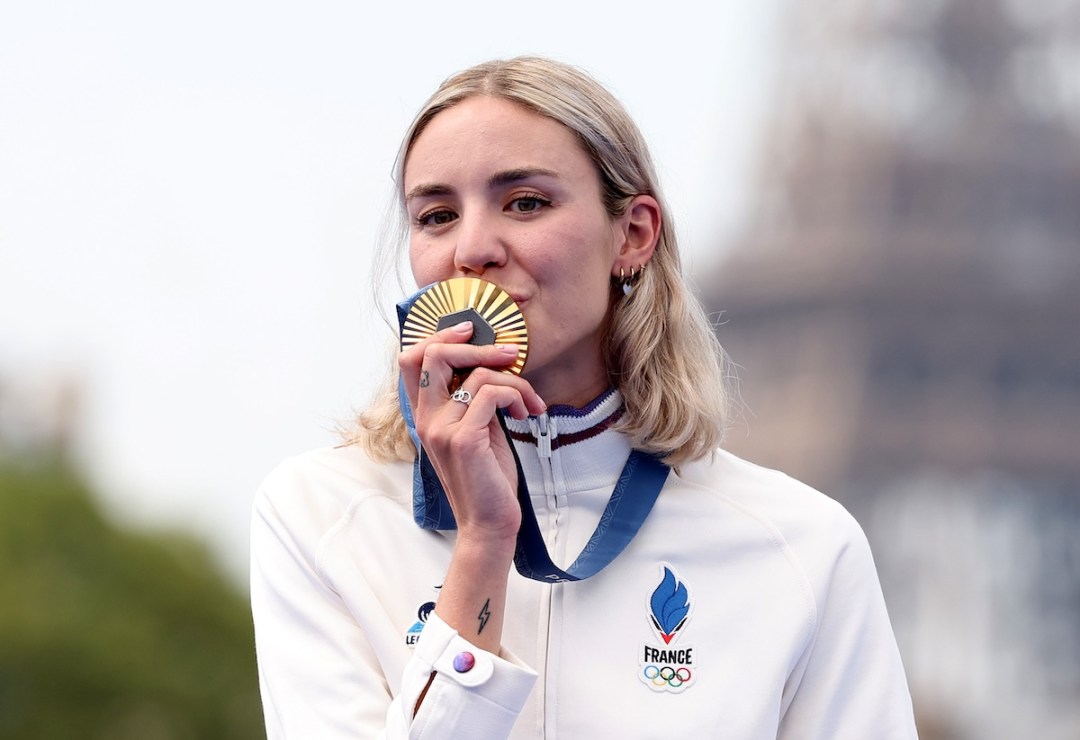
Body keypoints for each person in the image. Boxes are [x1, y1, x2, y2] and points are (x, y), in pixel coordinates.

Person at [250, 56, 918, 739]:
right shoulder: (318, 516)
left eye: (526, 203)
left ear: (632, 234)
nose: (473, 249)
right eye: (437, 215)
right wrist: (483, 544)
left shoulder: (802, 546)